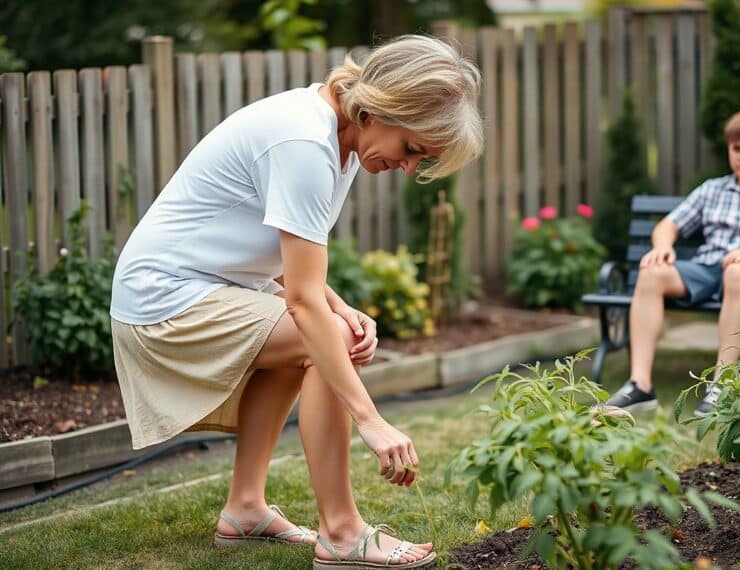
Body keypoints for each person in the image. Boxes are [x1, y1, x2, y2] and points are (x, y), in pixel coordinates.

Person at [110, 34, 482, 568]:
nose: (407, 168)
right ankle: (342, 533)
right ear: (382, 109)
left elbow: (289, 260)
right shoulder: (305, 143)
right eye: (410, 149)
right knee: (324, 340)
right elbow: (303, 304)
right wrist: (371, 420)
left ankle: (245, 508)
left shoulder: (340, 137)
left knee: (328, 330)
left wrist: (340, 307)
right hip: (165, 300)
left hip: (200, 289)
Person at [605, 109, 740, 416]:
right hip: (708, 269)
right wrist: (663, 248)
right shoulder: (713, 189)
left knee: (738, 272)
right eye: (736, 149)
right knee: (651, 272)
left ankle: (722, 385)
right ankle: (640, 386)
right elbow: (667, 225)